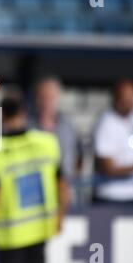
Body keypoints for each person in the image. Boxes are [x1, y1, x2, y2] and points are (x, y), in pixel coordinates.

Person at [0, 92, 69, 263]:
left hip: (8, 235)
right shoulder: (47, 143)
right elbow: (62, 186)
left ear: (1, 116)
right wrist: (60, 216)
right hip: (40, 228)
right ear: (23, 113)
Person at [29, 76, 82, 205]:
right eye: (43, 97)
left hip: (65, 196)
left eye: (50, 97)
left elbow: (79, 156)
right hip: (35, 198)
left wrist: (70, 180)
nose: (46, 102)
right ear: (36, 99)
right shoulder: (27, 127)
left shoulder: (68, 126)